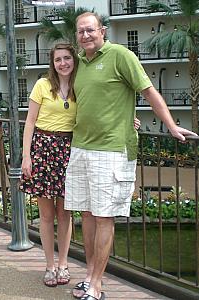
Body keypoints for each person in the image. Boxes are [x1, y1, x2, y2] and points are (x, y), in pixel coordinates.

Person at [64, 12, 197, 300]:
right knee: (86, 214)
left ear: (102, 31)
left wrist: (171, 126)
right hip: (81, 148)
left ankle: (97, 285)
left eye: (90, 30)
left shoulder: (120, 55)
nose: (85, 35)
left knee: (103, 217)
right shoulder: (81, 63)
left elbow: (148, 91)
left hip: (111, 150)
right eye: (80, 32)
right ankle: (89, 276)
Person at [20, 43, 78, 287]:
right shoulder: (42, 85)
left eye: (67, 58)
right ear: (52, 63)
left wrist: (130, 121)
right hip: (43, 150)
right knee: (46, 215)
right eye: (58, 60)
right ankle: (49, 266)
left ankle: (63, 264)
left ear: (74, 60)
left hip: (70, 150)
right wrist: (26, 156)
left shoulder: (80, 86)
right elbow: (30, 122)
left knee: (65, 213)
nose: (63, 63)